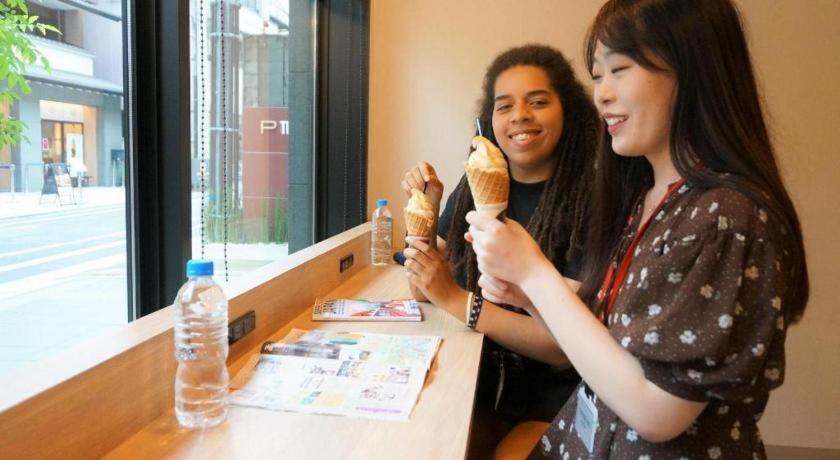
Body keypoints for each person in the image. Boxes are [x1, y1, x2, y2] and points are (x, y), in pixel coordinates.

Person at [465, 0, 810, 458]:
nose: (602, 95)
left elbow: (657, 411)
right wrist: (527, 295)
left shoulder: (725, 217)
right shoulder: (649, 196)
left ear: (694, 70)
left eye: (619, 70)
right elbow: (614, 332)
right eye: (597, 76)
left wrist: (534, 273)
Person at [400, 44, 598, 456]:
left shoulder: (591, 200)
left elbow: (561, 349)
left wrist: (457, 300)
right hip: (481, 377)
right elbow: (422, 289)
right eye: (504, 106)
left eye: (537, 102)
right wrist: (426, 213)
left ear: (568, 110)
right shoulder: (473, 185)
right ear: (489, 120)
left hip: (555, 396)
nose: (519, 115)